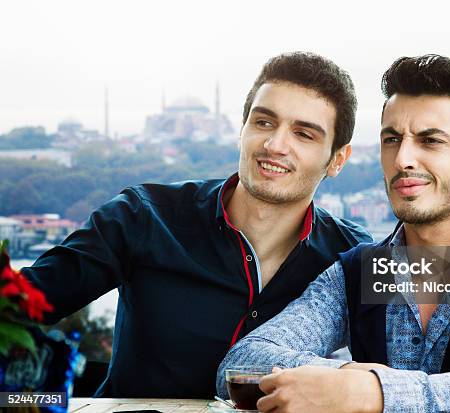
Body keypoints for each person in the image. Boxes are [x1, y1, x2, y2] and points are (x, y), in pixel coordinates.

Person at [217, 55, 450, 412]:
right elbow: (241, 365)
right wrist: (346, 377)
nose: (402, 160)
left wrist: (371, 393)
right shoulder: (361, 272)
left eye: (430, 141)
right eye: (392, 139)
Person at [21, 52, 372, 398]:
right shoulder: (143, 216)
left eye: (304, 134)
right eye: (263, 122)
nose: (274, 145)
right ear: (242, 128)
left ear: (337, 160)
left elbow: (414, 364)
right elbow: (20, 303)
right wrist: (23, 402)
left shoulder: (359, 255)